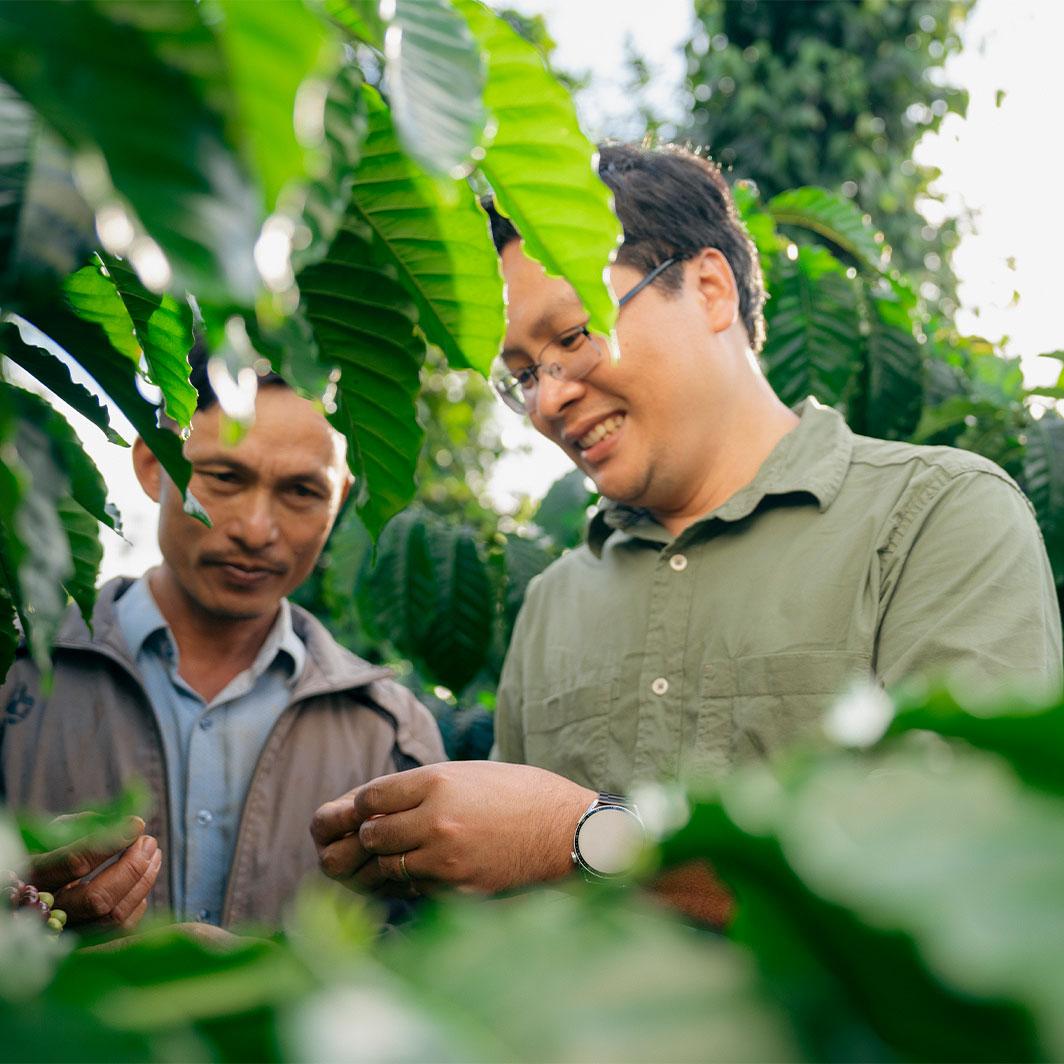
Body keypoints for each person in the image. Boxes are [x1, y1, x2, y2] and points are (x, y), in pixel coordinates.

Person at [311, 143, 1062, 909]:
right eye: (524, 374)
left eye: (572, 336)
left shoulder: (937, 516)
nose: (547, 400)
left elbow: (975, 878)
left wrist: (578, 838)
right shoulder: (554, 602)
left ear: (709, 290)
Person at [1, 349, 445, 931]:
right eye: (225, 479)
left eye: (302, 492)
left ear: (340, 498)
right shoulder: (16, 676)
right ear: (152, 465)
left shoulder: (392, 736)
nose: (256, 530)